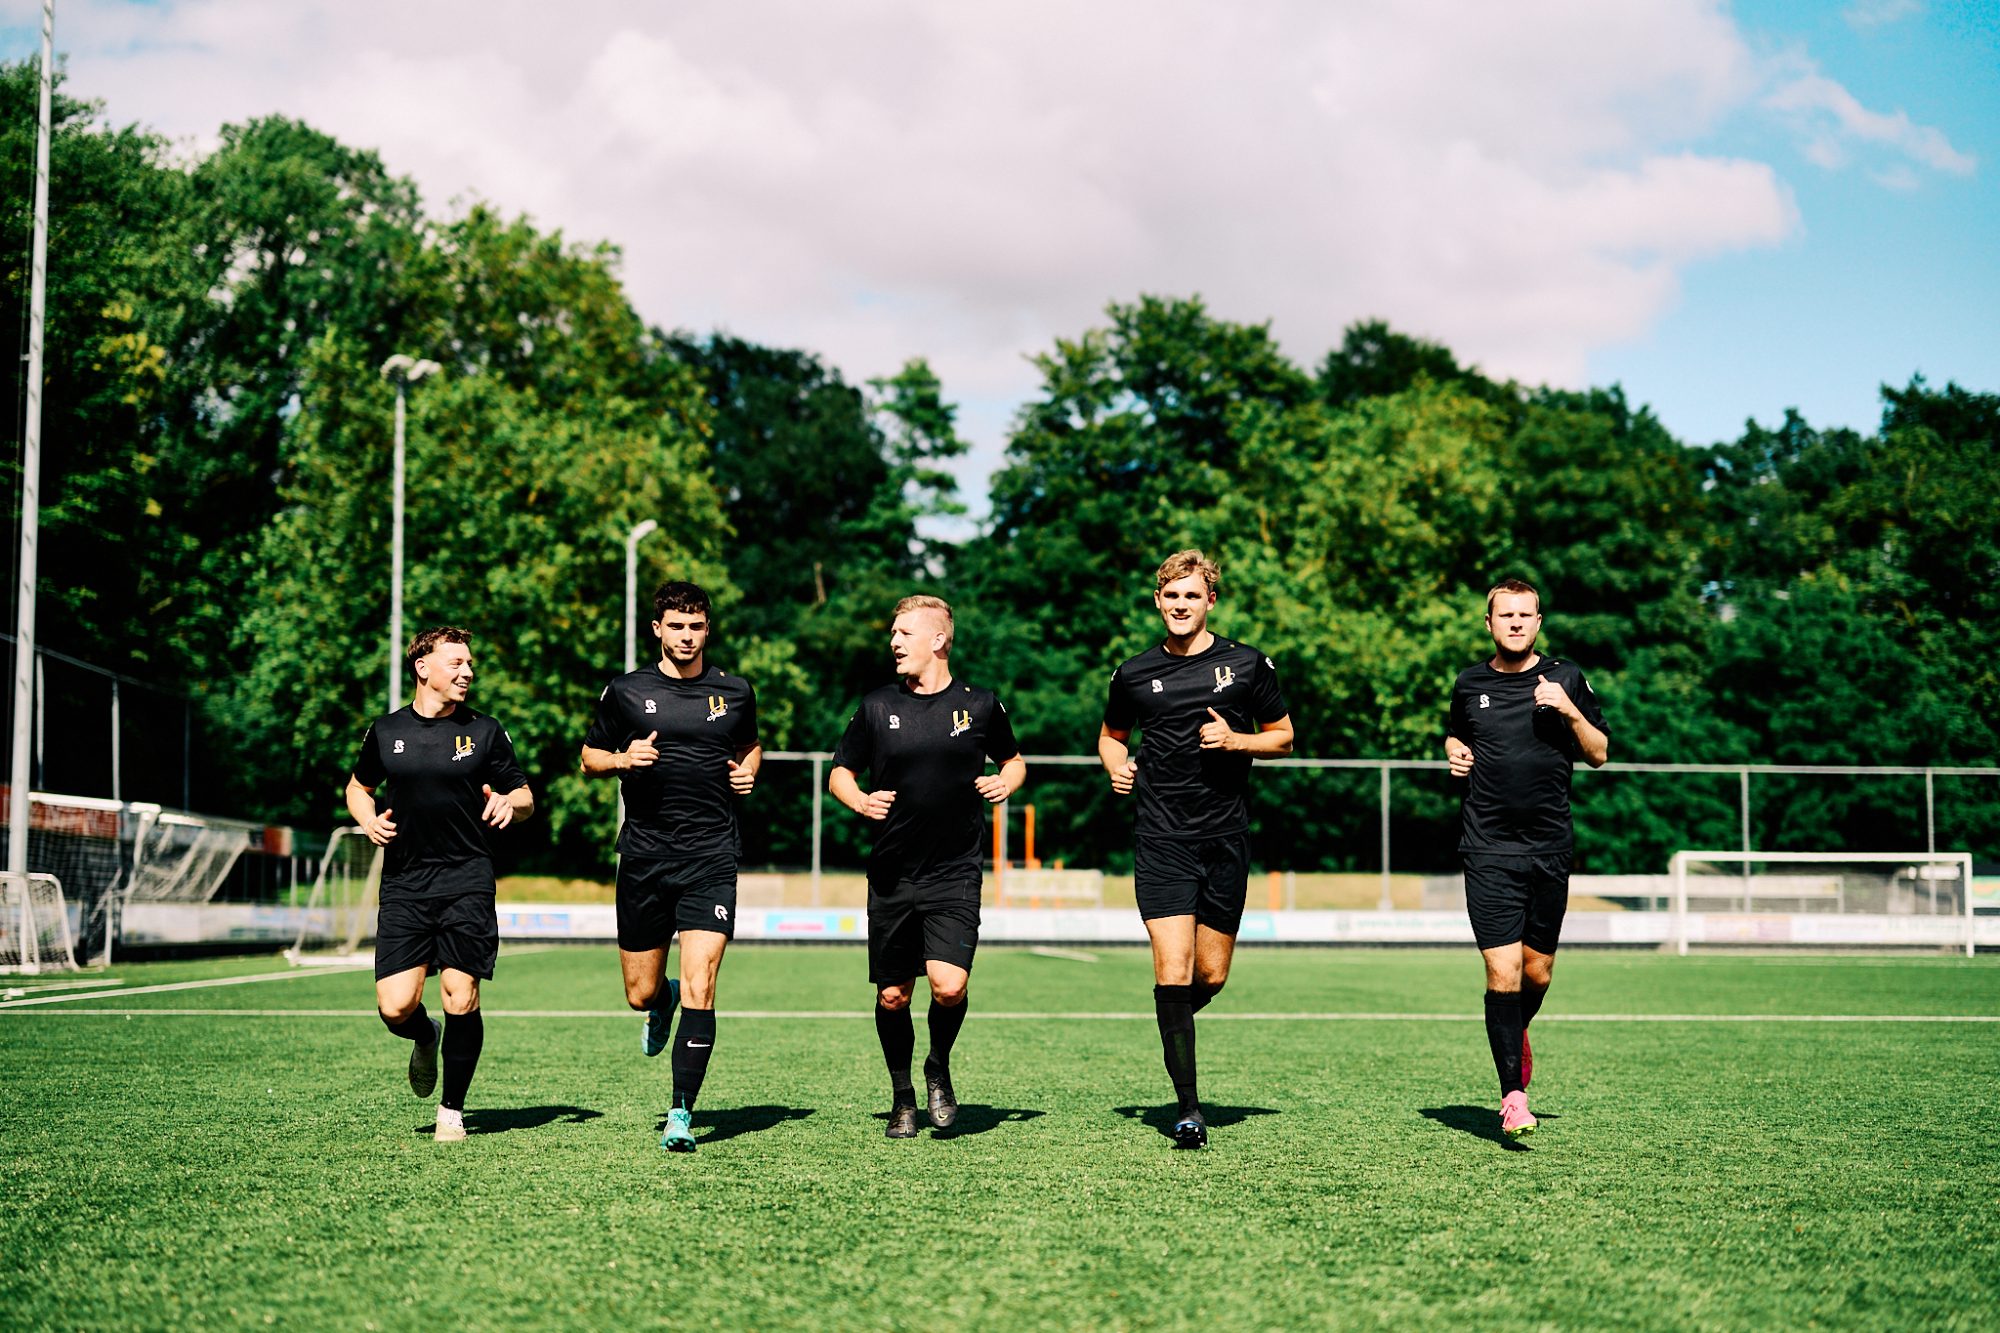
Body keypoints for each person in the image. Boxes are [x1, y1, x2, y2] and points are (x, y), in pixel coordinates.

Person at [1099, 550, 1294, 1149]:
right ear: (1157, 602)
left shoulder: (1246, 664)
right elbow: (1111, 737)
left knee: (1208, 975)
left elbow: (1284, 737)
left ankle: (1171, 1018)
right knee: (1174, 968)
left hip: (1225, 840)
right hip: (1161, 839)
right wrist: (1117, 767)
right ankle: (1188, 1110)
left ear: (1211, 600)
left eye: (1191, 596)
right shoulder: (1132, 674)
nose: (1179, 605)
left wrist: (1236, 740)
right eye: (1170, 596)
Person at [830, 595, 1026, 1139]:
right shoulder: (875, 706)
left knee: (948, 986)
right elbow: (840, 772)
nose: (894, 642)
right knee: (893, 995)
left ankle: (937, 1064)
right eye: (893, 633)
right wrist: (859, 800)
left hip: (954, 871)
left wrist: (1005, 782)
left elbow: (1013, 761)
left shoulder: (981, 704)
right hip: (892, 872)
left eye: (904, 633)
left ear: (938, 640)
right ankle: (902, 1097)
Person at [581, 580, 760, 1154]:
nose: (687, 636)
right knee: (639, 992)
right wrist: (621, 759)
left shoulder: (735, 691)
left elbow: (750, 744)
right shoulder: (627, 692)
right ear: (657, 629)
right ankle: (663, 999)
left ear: (708, 629)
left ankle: (681, 1111)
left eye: (696, 626)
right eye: (676, 626)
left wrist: (747, 770)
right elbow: (588, 758)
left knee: (704, 985)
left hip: (711, 856)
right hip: (643, 856)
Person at [347, 626, 534, 1143]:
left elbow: (525, 796)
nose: (467, 672)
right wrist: (366, 818)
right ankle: (424, 1036)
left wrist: (508, 803)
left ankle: (451, 1111)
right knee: (396, 1006)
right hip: (406, 884)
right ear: (422, 668)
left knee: (461, 993)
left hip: (467, 879)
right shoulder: (385, 731)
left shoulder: (486, 731)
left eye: (470, 664)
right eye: (456, 663)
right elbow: (358, 787)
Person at [1444, 577, 1609, 1139]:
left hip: (1549, 847)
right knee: (1502, 970)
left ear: (1538, 623)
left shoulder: (1565, 678)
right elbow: (1454, 733)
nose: (1515, 623)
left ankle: (1514, 1032)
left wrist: (1568, 710)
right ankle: (1513, 1094)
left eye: (1525, 615)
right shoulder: (1468, 683)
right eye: (1505, 615)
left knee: (1537, 972)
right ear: (1488, 623)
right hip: (1487, 847)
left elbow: (1600, 754)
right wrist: (1454, 751)